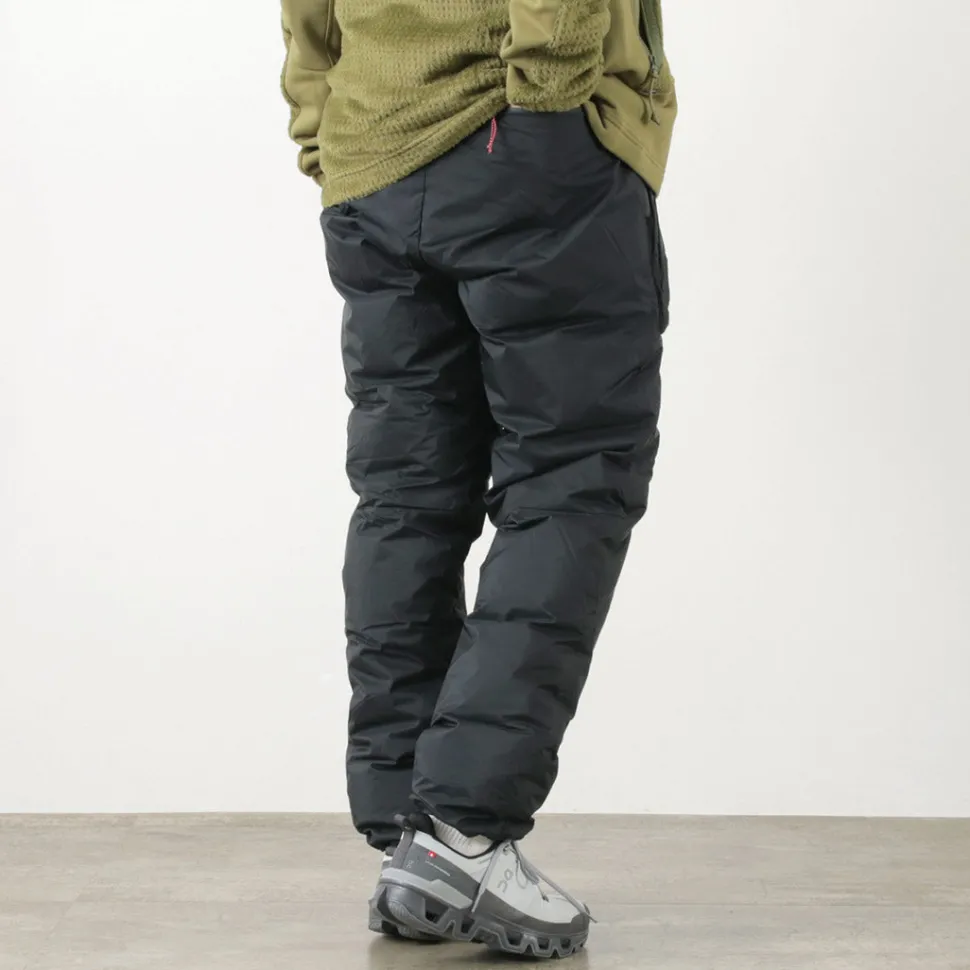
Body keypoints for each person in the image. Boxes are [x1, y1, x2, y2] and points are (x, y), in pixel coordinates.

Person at [281, 0, 676, 958]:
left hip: (371, 157)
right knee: (572, 474)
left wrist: (324, 128)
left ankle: (411, 829)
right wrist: (549, 99)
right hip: (519, 135)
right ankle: (461, 829)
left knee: (406, 490)